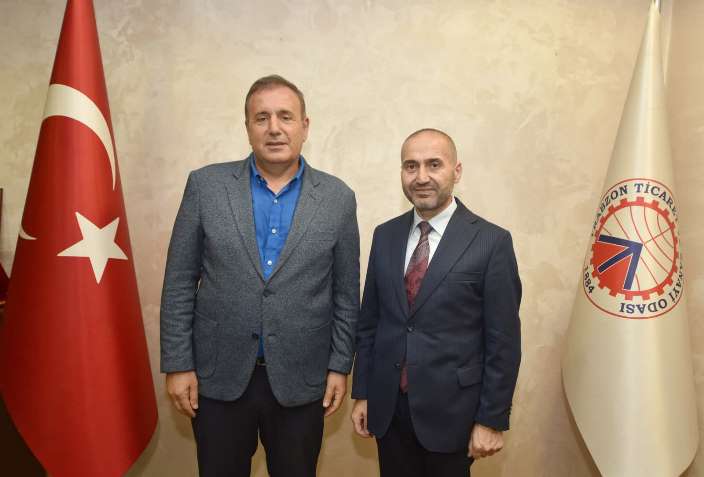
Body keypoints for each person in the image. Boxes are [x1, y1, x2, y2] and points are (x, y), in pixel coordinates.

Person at [160, 75, 359, 477]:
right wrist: (178, 364)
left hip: (302, 379)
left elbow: (345, 292)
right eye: (262, 117)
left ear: (305, 126)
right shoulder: (206, 186)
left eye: (286, 116)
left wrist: (340, 365)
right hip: (218, 377)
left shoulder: (338, 197)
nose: (274, 128)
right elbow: (179, 281)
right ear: (248, 127)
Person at [350, 128, 521, 477]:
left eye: (434, 164)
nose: (421, 177)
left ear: (456, 171)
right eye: (411, 166)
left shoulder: (491, 242)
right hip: (389, 412)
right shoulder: (385, 235)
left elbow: (503, 342)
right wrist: (364, 393)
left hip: (454, 415)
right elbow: (370, 323)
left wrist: (491, 419)